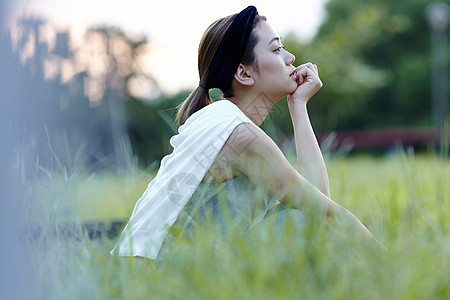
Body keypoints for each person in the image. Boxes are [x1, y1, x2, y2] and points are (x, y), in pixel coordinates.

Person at [111, 6, 381, 261]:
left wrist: (298, 105)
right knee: (297, 219)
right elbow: (321, 212)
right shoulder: (238, 134)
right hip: (153, 274)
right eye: (276, 49)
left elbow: (316, 195)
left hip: (163, 268)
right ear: (244, 72)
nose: (291, 58)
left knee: (300, 217)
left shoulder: (222, 120)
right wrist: (388, 261)